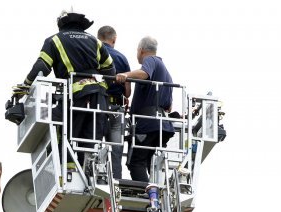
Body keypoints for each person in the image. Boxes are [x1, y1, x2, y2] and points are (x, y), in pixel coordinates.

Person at [17, 10, 115, 168]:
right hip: (99, 97)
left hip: (74, 96)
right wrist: (99, 88)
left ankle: (66, 171)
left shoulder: (54, 40)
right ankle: (86, 171)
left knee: (64, 132)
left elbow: (42, 66)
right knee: (89, 140)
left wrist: (26, 84)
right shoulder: (95, 41)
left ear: (61, 24)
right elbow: (110, 71)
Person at [115, 36, 175, 183]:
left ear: (141, 50)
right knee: (149, 162)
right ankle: (157, 193)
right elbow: (169, 106)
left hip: (147, 123)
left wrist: (125, 75)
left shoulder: (151, 60)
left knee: (136, 162)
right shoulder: (167, 74)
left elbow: (144, 73)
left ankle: (148, 195)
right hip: (161, 125)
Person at [97, 26, 131, 179]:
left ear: (98, 38)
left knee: (93, 145)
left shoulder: (93, 53)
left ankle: (94, 177)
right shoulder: (122, 58)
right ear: (114, 39)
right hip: (116, 109)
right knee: (116, 151)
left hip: (96, 106)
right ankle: (116, 181)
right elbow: (128, 92)